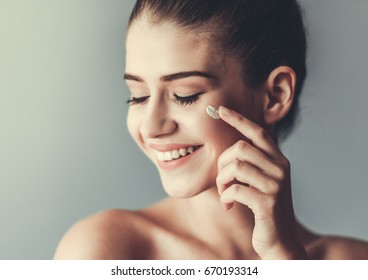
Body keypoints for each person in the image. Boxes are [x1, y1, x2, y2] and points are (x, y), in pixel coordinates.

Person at [54, 0, 368, 259]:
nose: (151, 126)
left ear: (275, 95)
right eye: (138, 96)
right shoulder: (105, 249)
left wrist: (283, 260)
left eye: (185, 95)